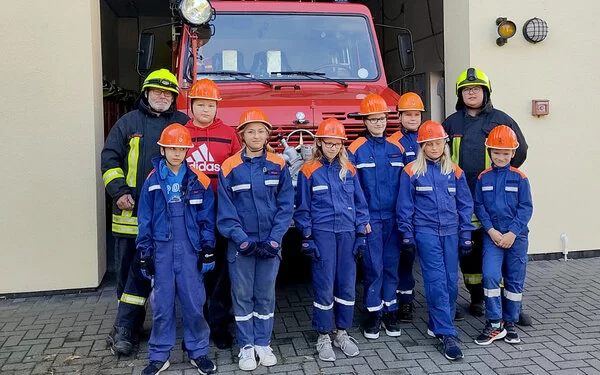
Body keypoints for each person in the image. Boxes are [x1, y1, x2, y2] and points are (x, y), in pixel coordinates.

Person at [102, 69, 189, 355]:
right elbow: (110, 158)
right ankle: (127, 328)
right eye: (157, 92)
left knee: (162, 274)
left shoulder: (181, 123)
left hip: (168, 219)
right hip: (131, 215)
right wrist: (119, 191)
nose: (162, 97)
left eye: (168, 94)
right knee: (130, 275)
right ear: (146, 94)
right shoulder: (128, 122)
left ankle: (132, 328)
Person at [442, 67, 530, 323]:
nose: (472, 93)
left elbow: (519, 151)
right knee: (469, 252)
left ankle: (509, 304)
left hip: (496, 203)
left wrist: (501, 181)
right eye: (467, 89)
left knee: (501, 250)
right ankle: (478, 298)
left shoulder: (502, 120)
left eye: (476, 89)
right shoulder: (452, 123)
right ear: (461, 94)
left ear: (486, 92)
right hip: (462, 201)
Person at [217, 109, 294, 371]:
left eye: (261, 131)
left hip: (270, 245)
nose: (256, 136)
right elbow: (225, 211)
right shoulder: (229, 167)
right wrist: (241, 240)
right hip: (242, 246)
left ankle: (263, 342)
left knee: (265, 296)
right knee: (241, 296)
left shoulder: (279, 164)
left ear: (267, 134)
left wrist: (275, 240)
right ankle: (246, 347)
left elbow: (285, 206)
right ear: (242, 135)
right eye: (251, 131)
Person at [136, 124, 217, 375]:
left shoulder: (199, 180)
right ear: (163, 149)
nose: (176, 153)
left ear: (187, 151)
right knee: (162, 306)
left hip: (190, 249)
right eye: (171, 148)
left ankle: (199, 352)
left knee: (194, 304)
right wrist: (144, 253)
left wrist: (208, 248)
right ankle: (159, 356)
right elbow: (144, 219)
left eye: (181, 149)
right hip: (162, 250)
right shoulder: (152, 181)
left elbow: (207, 219)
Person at [396, 120, 475, 361]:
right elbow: (404, 205)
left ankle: (437, 322)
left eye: (438, 143)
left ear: (444, 144)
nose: (434, 148)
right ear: (421, 146)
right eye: (429, 144)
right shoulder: (411, 171)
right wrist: (407, 233)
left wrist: (466, 235)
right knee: (436, 281)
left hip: (451, 233)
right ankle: (447, 333)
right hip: (426, 232)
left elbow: (465, 205)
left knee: (451, 282)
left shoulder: (455, 171)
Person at [295, 118, 370, 362]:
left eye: (337, 144)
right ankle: (323, 335)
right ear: (319, 143)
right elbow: (303, 208)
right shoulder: (308, 171)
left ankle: (342, 332)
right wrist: (307, 237)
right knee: (324, 285)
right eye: (328, 143)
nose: (332, 148)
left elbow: (360, 204)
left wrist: (360, 234)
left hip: (347, 234)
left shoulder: (349, 169)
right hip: (323, 234)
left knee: (346, 285)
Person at [185, 78, 242, 349]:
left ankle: (219, 325)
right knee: (193, 275)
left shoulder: (230, 134)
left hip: (221, 213)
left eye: (211, 105)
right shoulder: (181, 134)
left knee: (220, 273)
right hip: (189, 216)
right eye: (201, 105)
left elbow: (238, 172)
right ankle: (196, 329)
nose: (206, 110)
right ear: (191, 105)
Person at [347, 94, 402, 339]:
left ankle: (391, 311)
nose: (378, 123)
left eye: (381, 119)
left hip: (393, 219)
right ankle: (373, 313)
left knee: (391, 267)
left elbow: (406, 187)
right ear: (365, 122)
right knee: (373, 268)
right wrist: (362, 219)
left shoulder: (396, 148)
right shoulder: (355, 149)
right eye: (373, 119)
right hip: (370, 220)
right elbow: (352, 189)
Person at [473, 125, 533, 346]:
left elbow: (526, 208)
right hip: (493, 237)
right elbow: (479, 206)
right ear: (489, 152)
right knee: (489, 277)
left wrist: (512, 233)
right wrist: (490, 230)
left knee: (514, 281)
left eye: (505, 153)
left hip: (516, 238)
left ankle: (510, 323)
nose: (500, 156)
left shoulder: (520, 178)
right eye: (496, 152)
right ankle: (494, 323)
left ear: (513, 153)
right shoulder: (483, 178)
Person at [389, 91, 424, 322]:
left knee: (427, 259)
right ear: (399, 116)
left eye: (416, 114)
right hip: (402, 210)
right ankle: (404, 303)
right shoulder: (393, 142)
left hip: (425, 210)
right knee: (402, 258)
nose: (412, 118)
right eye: (407, 114)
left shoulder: (428, 138)